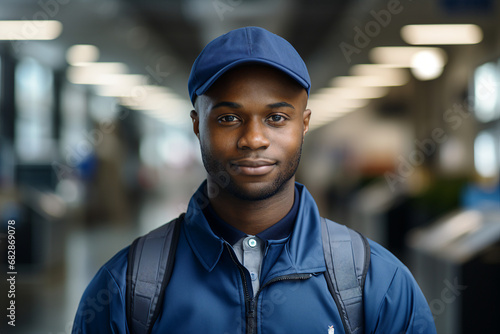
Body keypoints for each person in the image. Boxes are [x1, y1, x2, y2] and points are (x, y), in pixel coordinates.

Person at [72, 26, 436, 334]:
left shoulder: (378, 284)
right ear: (197, 124)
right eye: (229, 119)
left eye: (277, 118)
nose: (254, 139)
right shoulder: (127, 288)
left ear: (304, 124)